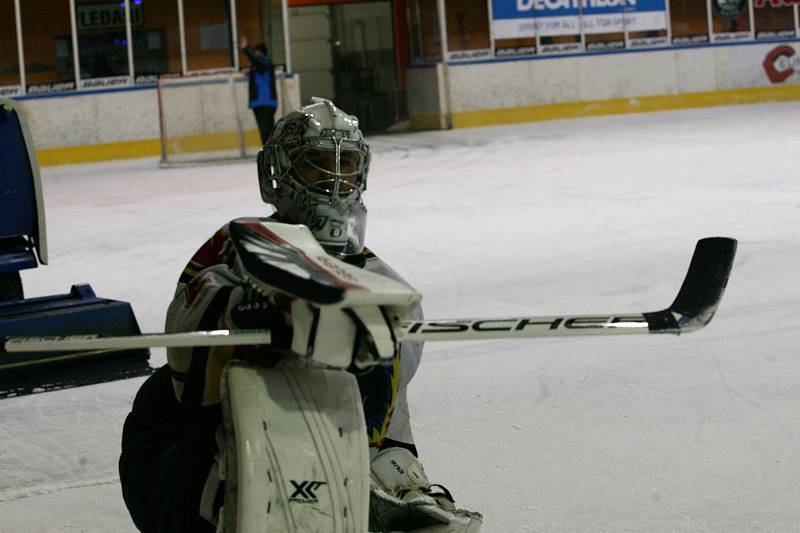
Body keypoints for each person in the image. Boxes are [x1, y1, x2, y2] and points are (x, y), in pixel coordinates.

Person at [118, 98, 482, 532]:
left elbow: (387, 405)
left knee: (374, 372)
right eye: (315, 164)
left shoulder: (389, 288)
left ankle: (382, 485)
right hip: (196, 443)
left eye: (346, 164)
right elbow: (184, 348)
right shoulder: (239, 246)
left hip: (336, 451)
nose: (334, 179)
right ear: (278, 173)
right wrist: (242, 313)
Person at [240, 36, 277, 145]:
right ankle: (269, 151)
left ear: (261, 53)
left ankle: (269, 152)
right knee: (264, 130)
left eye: (256, 53)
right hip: (259, 103)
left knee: (266, 130)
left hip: (265, 102)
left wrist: (247, 48)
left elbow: (257, 61)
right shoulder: (259, 66)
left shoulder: (266, 62)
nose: (254, 55)